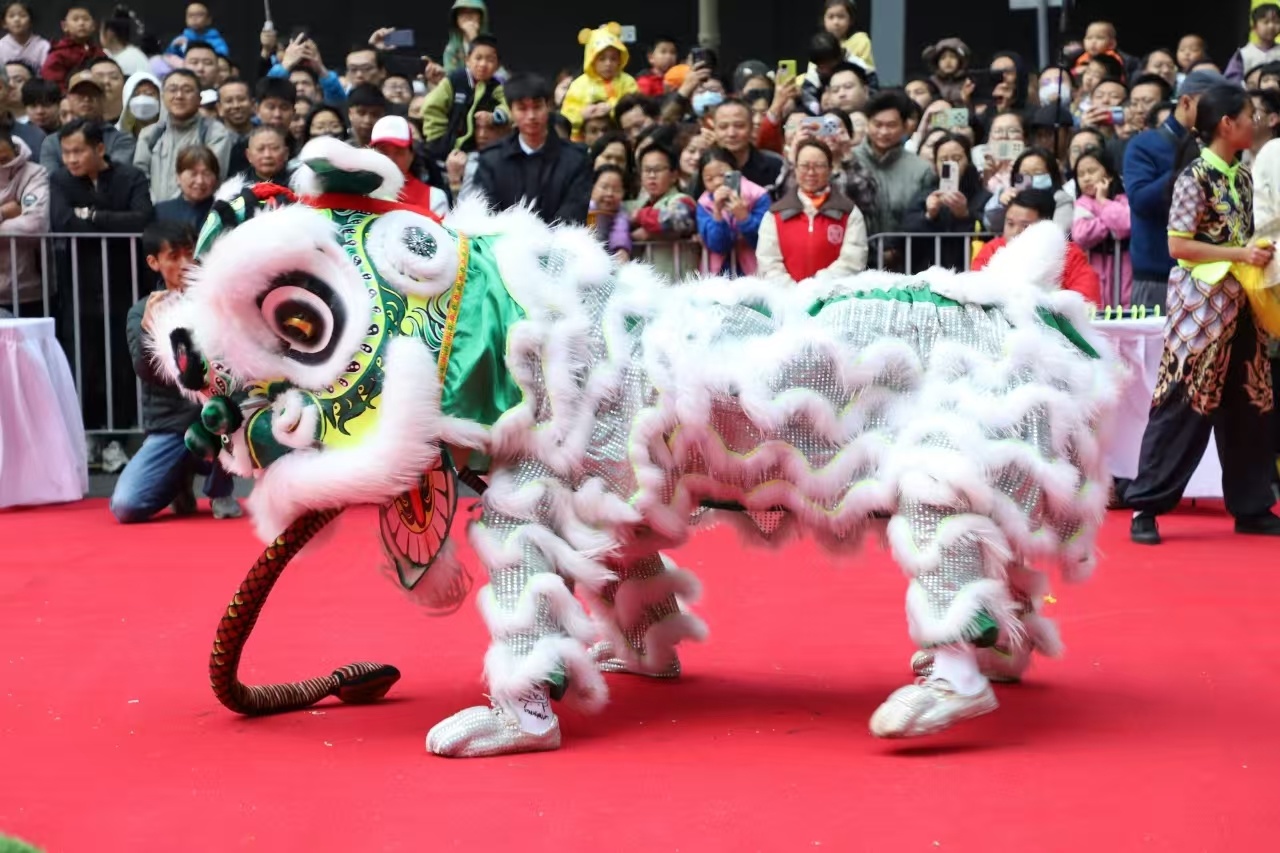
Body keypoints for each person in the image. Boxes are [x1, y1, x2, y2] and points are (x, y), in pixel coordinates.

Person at [1126, 84, 1280, 544]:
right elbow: (1178, 245)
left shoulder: (1243, 175)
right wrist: (1240, 253)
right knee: (1182, 401)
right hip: (1202, 306)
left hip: (1243, 303)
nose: (1256, 123)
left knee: (1253, 402)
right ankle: (1146, 507)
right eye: (1249, 115)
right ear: (1227, 124)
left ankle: (1251, 505)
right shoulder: (1194, 176)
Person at [110, 221, 242, 523]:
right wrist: (149, 329)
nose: (185, 264)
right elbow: (147, 372)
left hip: (220, 415)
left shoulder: (220, 302)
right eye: (173, 257)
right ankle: (177, 481)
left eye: (190, 254)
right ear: (154, 262)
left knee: (229, 410)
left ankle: (221, 489)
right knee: (126, 506)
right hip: (170, 424)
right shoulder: (142, 311)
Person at [1123, 69, 1227, 309]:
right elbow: (1140, 201)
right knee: (1154, 347)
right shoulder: (1144, 144)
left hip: (1212, 274)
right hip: (1158, 277)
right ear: (1186, 102)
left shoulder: (1219, 146)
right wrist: (1185, 171)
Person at [473, 72, 592, 226]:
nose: (531, 116)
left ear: (548, 107)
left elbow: (573, 212)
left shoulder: (576, 159)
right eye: (522, 109)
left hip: (559, 245)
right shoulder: (492, 160)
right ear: (511, 111)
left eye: (537, 107)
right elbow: (486, 211)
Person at [756, 138, 868, 282]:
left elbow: (853, 260)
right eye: (804, 166)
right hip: (786, 297)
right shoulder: (775, 214)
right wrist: (792, 290)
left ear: (830, 169)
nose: (811, 172)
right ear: (795, 169)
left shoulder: (849, 212)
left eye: (819, 166)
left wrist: (817, 286)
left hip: (834, 298)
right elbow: (768, 262)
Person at [971, 189, 1101, 304]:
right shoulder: (992, 249)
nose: (1015, 232)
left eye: (1025, 226)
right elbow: (977, 292)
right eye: (1010, 224)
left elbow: (1086, 299)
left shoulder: (1068, 253)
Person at [421, 34, 506, 171]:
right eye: (478, 58)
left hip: (474, 151)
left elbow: (508, 106)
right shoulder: (455, 80)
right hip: (443, 148)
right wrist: (438, 137)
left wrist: (495, 116)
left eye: (490, 60)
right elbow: (432, 106)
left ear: (497, 66)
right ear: (467, 60)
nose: (483, 64)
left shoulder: (496, 87)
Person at [695, 146, 771, 277]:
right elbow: (718, 246)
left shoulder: (758, 195)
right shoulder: (704, 203)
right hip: (718, 275)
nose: (718, 182)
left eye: (723, 175)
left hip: (753, 273)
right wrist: (717, 213)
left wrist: (744, 218)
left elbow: (763, 240)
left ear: (736, 172)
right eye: (709, 179)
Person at [1071, 147, 1132, 305]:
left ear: (1109, 174)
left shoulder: (1123, 199)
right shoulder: (1082, 204)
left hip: (1124, 276)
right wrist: (1110, 222)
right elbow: (1081, 235)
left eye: (1091, 171)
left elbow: (1126, 224)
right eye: (1081, 174)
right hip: (1097, 278)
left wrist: (1103, 202)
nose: (1086, 178)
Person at [560, 22, 638, 143]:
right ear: (591, 60)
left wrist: (612, 108)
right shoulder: (579, 84)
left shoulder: (628, 82)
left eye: (613, 58)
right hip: (582, 142)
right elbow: (566, 116)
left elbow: (635, 110)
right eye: (602, 59)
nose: (608, 63)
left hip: (621, 140)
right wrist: (582, 114)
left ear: (620, 59)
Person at [0, 128, 47, 316]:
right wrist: (5, 212)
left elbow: (35, 225)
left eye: (3, 159)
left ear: (15, 151)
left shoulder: (34, 173)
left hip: (26, 290)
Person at [370, 115, 449, 218]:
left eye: (399, 152)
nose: (391, 159)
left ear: (411, 155)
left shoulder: (433, 197)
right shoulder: (358, 192)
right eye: (384, 151)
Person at [154, 144, 218, 228]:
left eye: (206, 174)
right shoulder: (160, 212)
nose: (200, 181)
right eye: (193, 174)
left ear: (216, 179)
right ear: (178, 177)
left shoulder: (223, 212)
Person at [1226, 3, 1280, 83]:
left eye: (1276, 22)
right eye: (1266, 22)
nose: (1271, 26)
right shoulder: (1244, 54)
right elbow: (1232, 81)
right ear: (1254, 27)